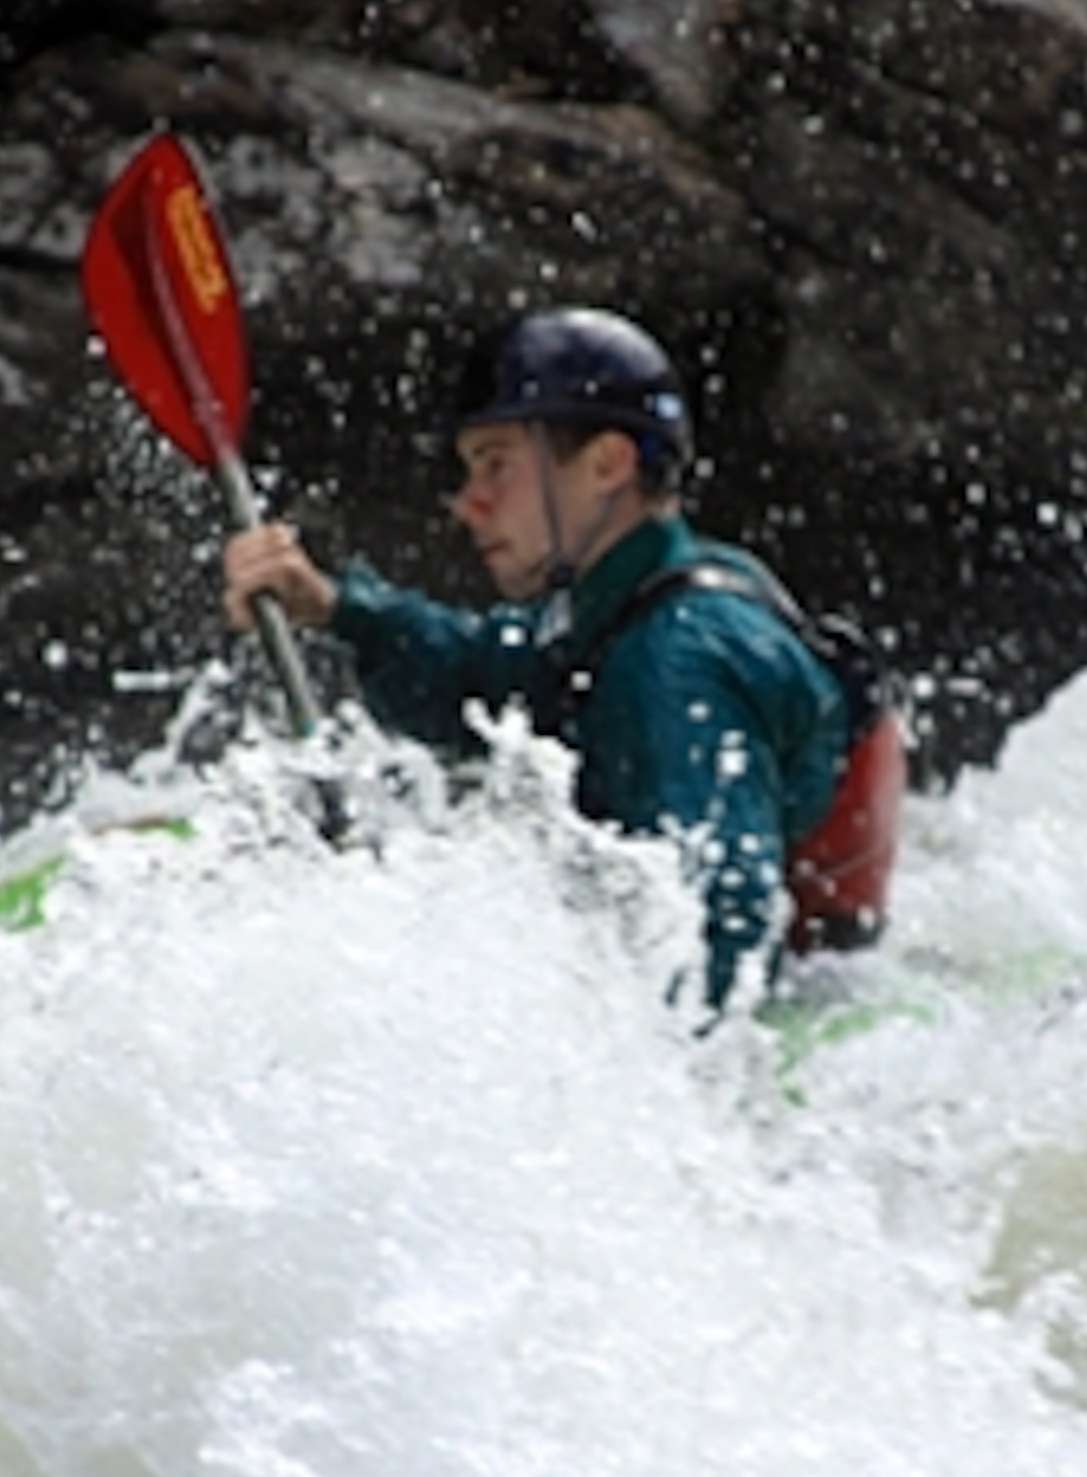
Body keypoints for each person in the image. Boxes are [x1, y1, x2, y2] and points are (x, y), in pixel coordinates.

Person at [219, 306, 903, 1010]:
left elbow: (721, 936)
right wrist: (337, 608)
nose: (468, 503)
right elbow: (484, 675)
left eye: (497, 465)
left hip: (794, 1019)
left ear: (608, 464)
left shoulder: (677, 659)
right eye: (468, 471)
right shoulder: (627, 599)